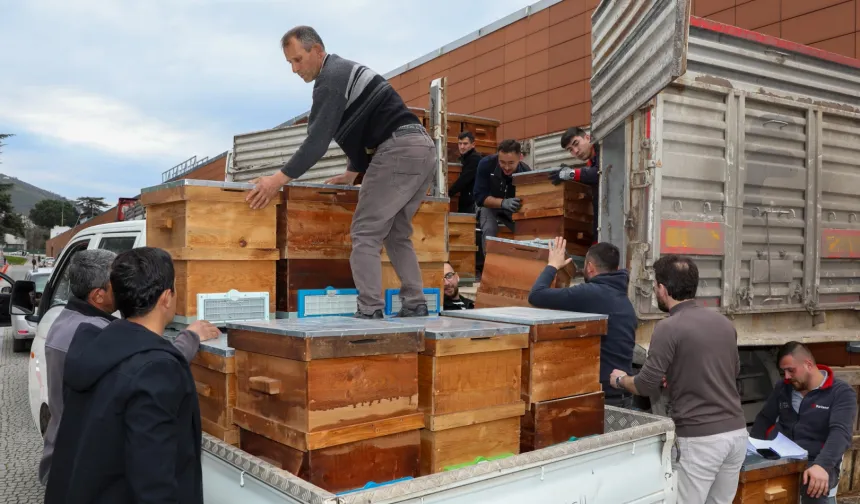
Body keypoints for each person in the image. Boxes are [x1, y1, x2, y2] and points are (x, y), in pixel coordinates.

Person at [245, 26, 435, 320]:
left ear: (317, 52)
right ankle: (415, 302)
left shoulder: (330, 79)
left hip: (397, 151)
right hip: (421, 149)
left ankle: (370, 308)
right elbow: (365, 126)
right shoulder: (345, 73)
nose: (294, 69)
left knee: (365, 233)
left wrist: (276, 180)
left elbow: (316, 143)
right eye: (289, 63)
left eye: (298, 60)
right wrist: (352, 172)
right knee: (397, 233)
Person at [38, 249, 218, 485]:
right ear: (98, 296)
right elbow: (148, 366)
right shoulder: (91, 335)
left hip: (72, 459)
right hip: (86, 465)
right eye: (117, 282)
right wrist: (190, 337)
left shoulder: (69, 320)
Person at [609, 254, 746, 504]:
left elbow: (645, 384)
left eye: (655, 286)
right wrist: (677, 374)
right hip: (736, 434)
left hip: (700, 439)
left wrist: (621, 380)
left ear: (662, 288)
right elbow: (729, 372)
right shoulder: (724, 323)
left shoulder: (669, 327)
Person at [528, 238, 636, 408]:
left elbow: (536, 295)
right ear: (615, 269)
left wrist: (552, 265)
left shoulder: (590, 293)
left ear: (590, 267)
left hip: (604, 398)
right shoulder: (621, 297)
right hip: (621, 393)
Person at [751, 342, 857, 503]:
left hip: (816, 460)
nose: (786, 376)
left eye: (790, 370)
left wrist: (822, 465)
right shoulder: (783, 388)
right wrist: (753, 449)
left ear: (808, 364)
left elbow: (840, 433)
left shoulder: (841, 393)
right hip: (779, 457)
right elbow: (764, 419)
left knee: (813, 486)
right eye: (783, 372)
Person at [472, 139, 531, 250]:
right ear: (497, 157)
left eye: (511, 163)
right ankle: (490, 265)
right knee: (489, 229)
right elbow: (479, 197)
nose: (507, 167)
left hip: (512, 209)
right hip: (487, 206)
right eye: (502, 162)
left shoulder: (526, 171)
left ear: (520, 158)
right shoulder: (486, 164)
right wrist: (503, 202)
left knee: (526, 232)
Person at [548, 127, 600, 243]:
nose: (575, 151)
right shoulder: (591, 162)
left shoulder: (603, 149)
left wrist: (570, 174)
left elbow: (599, 173)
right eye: (570, 150)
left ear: (587, 137)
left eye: (576, 144)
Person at [449, 131, 482, 213]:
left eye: (465, 144)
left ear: (473, 144)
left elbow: (464, 179)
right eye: (460, 144)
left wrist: (449, 193)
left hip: (471, 201)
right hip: (466, 199)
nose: (462, 147)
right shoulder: (464, 158)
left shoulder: (474, 158)